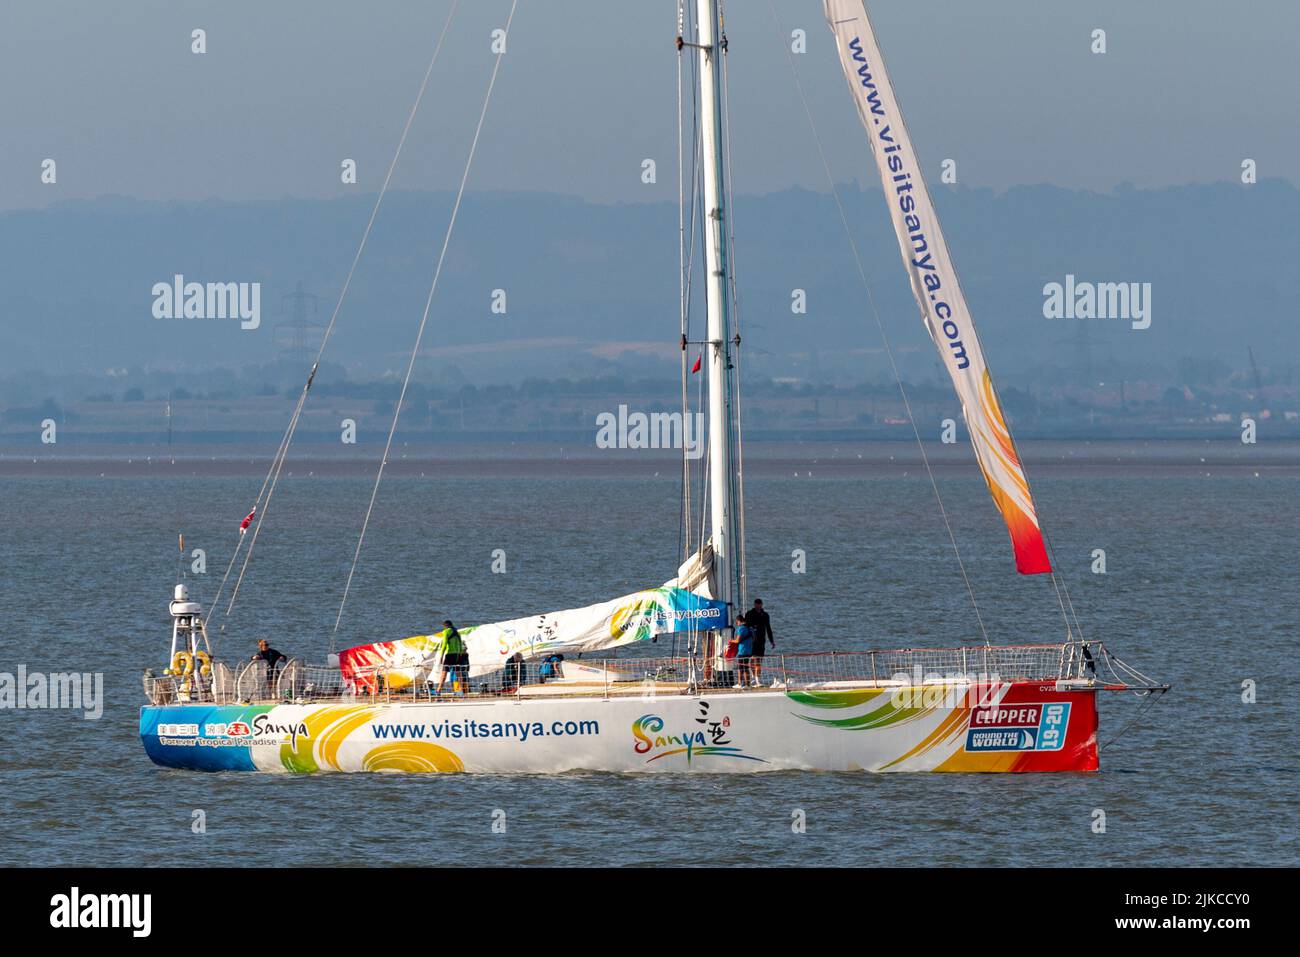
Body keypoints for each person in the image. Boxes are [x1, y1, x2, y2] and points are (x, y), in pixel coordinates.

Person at [746, 598, 776, 686]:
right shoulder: (750, 614)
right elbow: (746, 626)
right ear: (754, 605)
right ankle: (753, 677)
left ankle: (757, 679)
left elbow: (768, 628)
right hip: (751, 640)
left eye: (759, 604)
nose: (758, 606)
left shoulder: (765, 615)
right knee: (752, 659)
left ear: (762, 605)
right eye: (756, 604)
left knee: (759, 660)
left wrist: (772, 641)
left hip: (761, 640)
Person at [435, 620, 470, 696]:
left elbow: (444, 644)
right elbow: (460, 644)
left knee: (444, 673)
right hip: (457, 655)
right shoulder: (457, 632)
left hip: (450, 655)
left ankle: (438, 690)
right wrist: (460, 654)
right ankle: (460, 691)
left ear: (445, 626)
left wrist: (441, 656)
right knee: (458, 674)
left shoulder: (446, 632)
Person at [733, 614, 754, 688]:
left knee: (741, 668)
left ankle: (740, 684)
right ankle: (747, 684)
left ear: (739, 621)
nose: (737, 624)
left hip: (742, 651)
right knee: (745, 667)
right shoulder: (750, 628)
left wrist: (731, 641)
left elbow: (738, 640)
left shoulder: (741, 628)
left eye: (737, 622)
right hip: (749, 650)